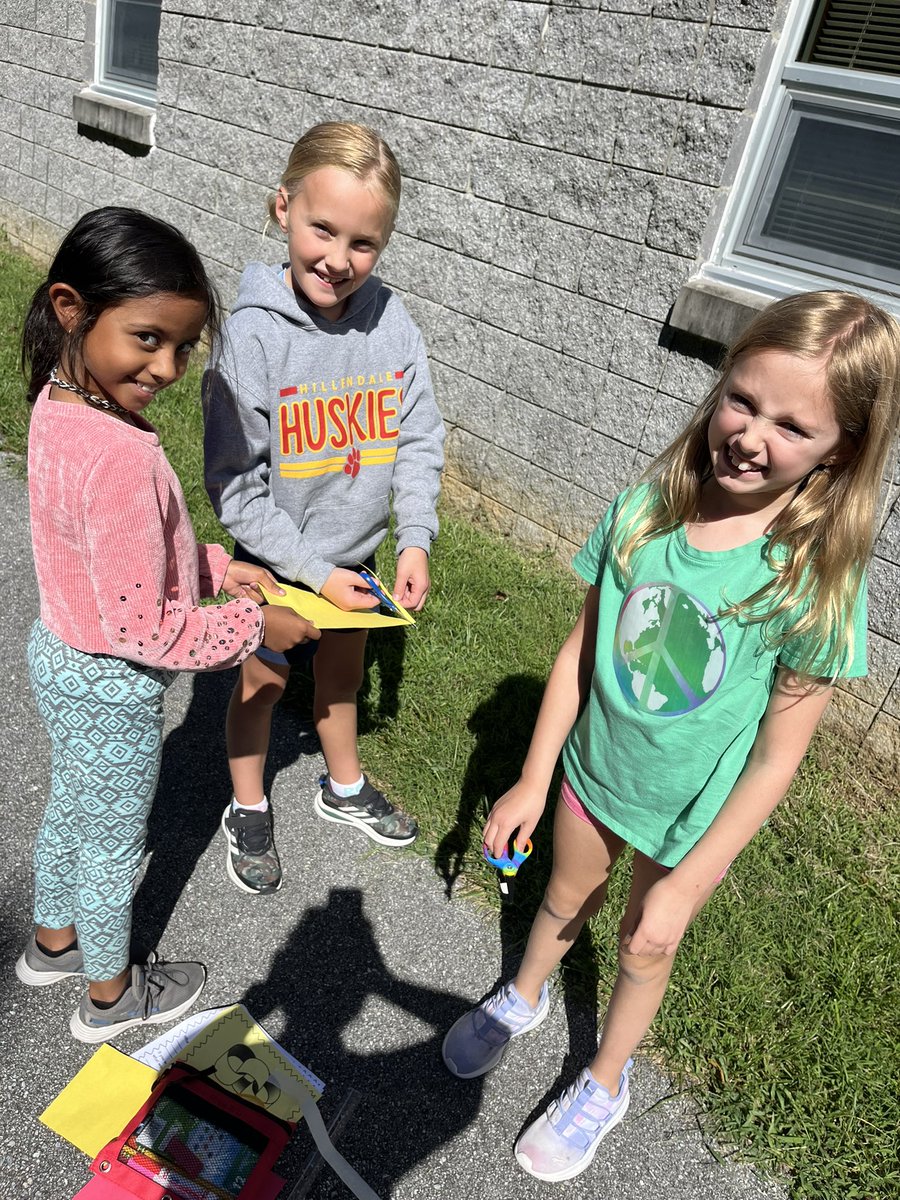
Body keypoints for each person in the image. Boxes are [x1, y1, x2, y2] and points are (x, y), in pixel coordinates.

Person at [442, 291, 900, 1182]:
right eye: (743, 400)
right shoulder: (652, 508)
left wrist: (692, 882)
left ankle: (604, 1084)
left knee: (648, 944)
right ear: (719, 385)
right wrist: (535, 779)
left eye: (792, 427)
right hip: (592, 774)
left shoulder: (814, 580)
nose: (752, 436)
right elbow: (581, 648)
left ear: (841, 448)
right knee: (566, 897)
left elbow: (778, 758)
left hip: (687, 816)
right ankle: (524, 994)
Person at [16, 207, 317, 1043]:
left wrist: (220, 569)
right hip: (111, 685)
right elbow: (147, 630)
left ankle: (52, 943)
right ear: (71, 307)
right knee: (114, 845)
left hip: (60, 656)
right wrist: (255, 622)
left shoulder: (61, 406)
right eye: (149, 339)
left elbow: (118, 557)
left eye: (183, 348)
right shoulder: (120, 453)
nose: (168, 367)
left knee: (71, 808)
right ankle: (110, 996)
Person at [204, 122, 444, 896]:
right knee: (263, 687)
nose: (339, 258)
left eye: (364, 242)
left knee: (342, 676)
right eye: (322, 229)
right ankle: (245, 805)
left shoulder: (394, 322)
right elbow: (235, 486)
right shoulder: (252, 336)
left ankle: (342, 788)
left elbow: (418, 438)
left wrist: (415, 540)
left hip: (356, 558)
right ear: (283, 208)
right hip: (277, 562)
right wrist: (307, 573)